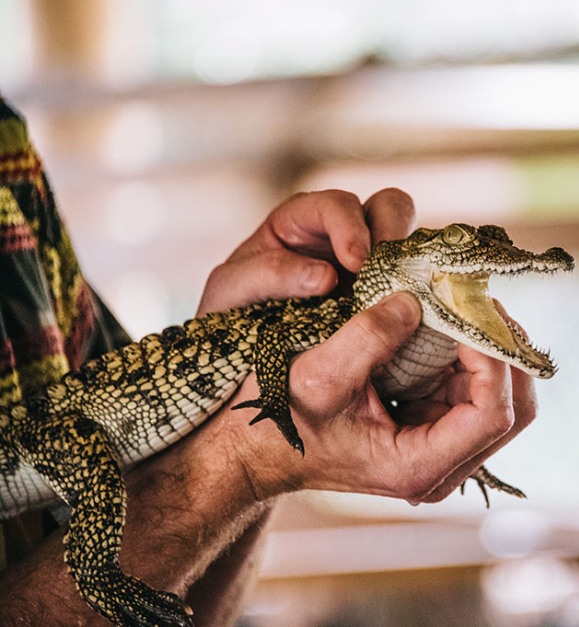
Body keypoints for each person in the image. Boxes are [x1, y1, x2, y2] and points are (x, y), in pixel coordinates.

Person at [0, 97, 537, 623]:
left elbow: (185, 596)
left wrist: (242, 446)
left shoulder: (10, 155)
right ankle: (94, 573)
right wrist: (243, 462)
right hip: (40, 438)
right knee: (95, 479)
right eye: (462, 242)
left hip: (91, 415)